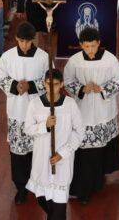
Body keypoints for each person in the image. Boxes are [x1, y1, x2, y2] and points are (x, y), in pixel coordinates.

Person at [64, 28, 119, 204]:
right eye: (86, 47)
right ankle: (85, 187)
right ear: (80, 45)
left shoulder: (110, 60)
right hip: (82, 112)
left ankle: (99, 176)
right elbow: (68, 81)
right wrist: (82, 89)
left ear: (99, 43)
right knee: (85, 153)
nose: (90, 50)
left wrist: (103, 89)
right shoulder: (74, 61)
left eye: (93, 46)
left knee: (101, 146)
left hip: (103, 111)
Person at [0, 21, 49, 204]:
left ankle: (38, 183)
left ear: (33, 39)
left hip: (37, 112)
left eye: (28, 41)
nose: (25, 45)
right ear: (17, 39)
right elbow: (0, 77)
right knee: (18, 154)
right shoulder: (8, 57)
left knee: (38, 151)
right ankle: (21, 187)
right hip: (17, 111)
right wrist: (14, 85)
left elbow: (49, 79)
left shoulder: (43, 57)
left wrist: (31, 86)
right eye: (21, 41)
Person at [25, 68, 84, 220]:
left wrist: (62, 154)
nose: (52, 88)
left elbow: (79, 131)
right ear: (44, 84)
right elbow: (28, 129)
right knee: (42, 200)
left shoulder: (70, 104)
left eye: (56, 84)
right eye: (48, 84)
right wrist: (44, 126)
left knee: (58, 210)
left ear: (62, 84)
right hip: (42, 161)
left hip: (61, 163)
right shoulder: (35, 104)